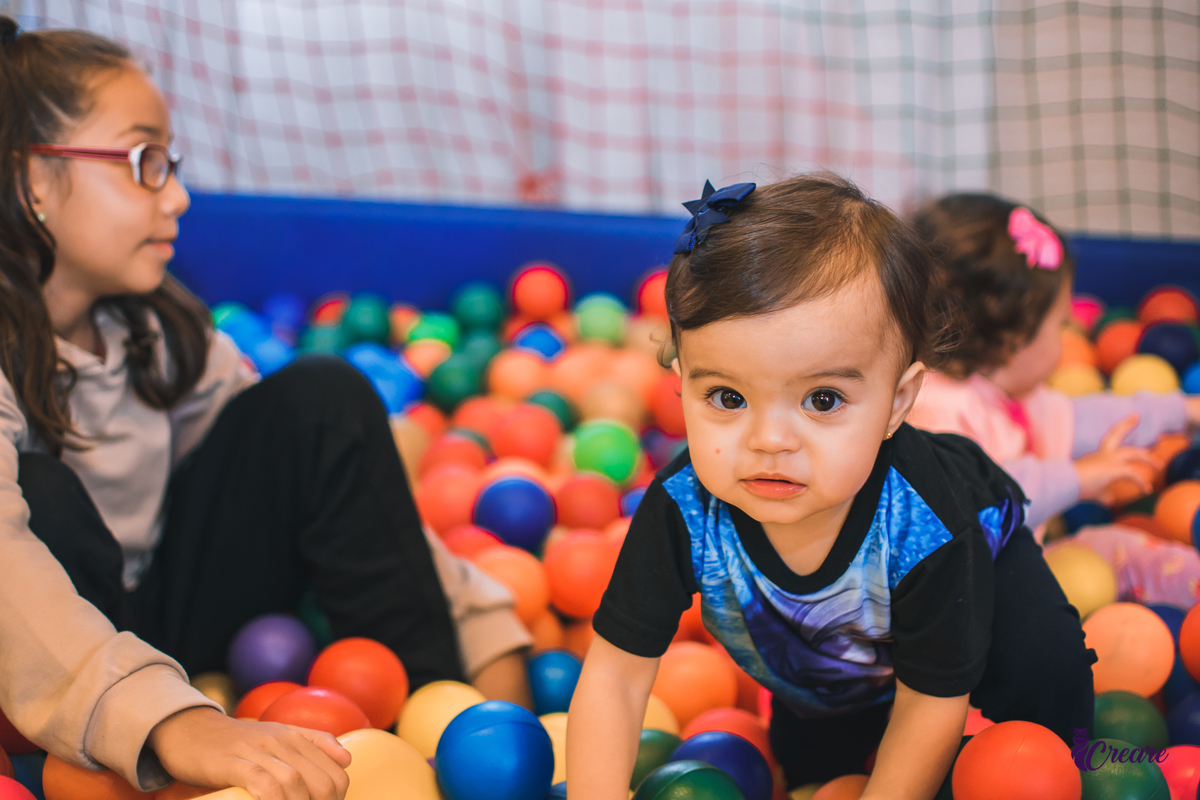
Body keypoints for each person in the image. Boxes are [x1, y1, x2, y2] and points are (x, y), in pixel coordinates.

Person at [0, 17, 530, 800]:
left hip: (165, 640)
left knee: (322, 397)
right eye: (144, 161)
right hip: (52, 683)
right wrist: (181, 727)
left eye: (171, 163)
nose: (177, 194)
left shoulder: (157, 331)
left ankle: (426, 725)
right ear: (33, 179)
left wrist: (482, 642)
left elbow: (335, 472)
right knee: (43, 496)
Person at [565, 175, 1095, 799]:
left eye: (822, 399)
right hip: (832, 658)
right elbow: (615, 678)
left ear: (898, 402)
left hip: (982, 559)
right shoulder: (682, 509)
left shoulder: (924, 519)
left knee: (1043, 676)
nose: (769, 440)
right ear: (681, 385)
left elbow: (932, 700)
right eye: (727, 397)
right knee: (818, 772)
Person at [907, 193, 1200, 607]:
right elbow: (981, 499)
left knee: (1124, 550)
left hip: (1012, 570)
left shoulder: (1008, 391)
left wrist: (1179, 411)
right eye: (1060, 324)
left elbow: (1083, 418)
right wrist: (1079, 478)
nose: (1067, 335)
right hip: (954, 609)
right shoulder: (932, 408)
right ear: (1013, 340)